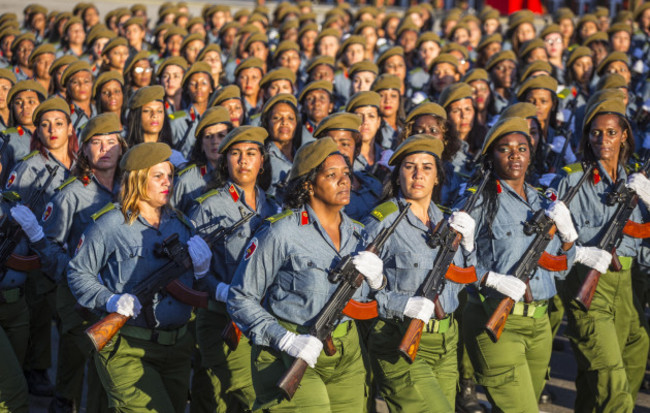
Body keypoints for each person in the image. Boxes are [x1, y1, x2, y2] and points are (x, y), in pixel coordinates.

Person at [228, 137, 384, 412]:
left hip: (345, 352)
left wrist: (378, 281)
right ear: (309, 185)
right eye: (332, 175)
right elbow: (241, 297)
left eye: (346, 174)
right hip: (288, 350)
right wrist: (284, 339)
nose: (344, 181)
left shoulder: (359, 234)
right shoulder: (281, 232)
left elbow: (372, 300)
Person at [67, 141, 212, 412]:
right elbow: (77, 273)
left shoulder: (181, 224)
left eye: (169, 176)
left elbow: (194, 288)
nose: (166, 182)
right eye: (158, 176)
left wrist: (201, 272)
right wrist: (110, 301)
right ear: (137, 178)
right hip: (127, 346)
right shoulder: (110, 223)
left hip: (177, 347)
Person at [16, 113, 123, 411]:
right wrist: (77, 276)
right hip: (77, 296)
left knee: (107, 380)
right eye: (96, 143)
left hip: (117, 296)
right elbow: (49, 249)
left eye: (111, 142)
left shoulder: (130, 190)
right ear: (84, 149)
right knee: (72, 373)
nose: (105, 149)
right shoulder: (71, 193)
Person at [363, 135, 476, 412]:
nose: (418, 174)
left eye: (427, 167)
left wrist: (470, 245)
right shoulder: (383, 222)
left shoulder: (449, 222)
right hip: (399, 338)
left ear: (437, 177)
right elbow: (357, 291)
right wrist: (397, 300)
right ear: (398, 174)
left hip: (446, 342)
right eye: (409, 166)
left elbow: (465, 279)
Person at [554, 96, 650, 412]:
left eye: (611, 132)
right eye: (596, 133)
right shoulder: (573, 177)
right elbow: (551, 240)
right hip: (589, 286)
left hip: (628, 285)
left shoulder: (635, 178)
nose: (603, 140)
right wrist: (581, 253)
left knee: (630, 353)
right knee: (612, 383)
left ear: (624, 135)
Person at [189, 125, 276, 412]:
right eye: (235, 154)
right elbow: (193, 272)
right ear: (225, 161)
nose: (243, 161)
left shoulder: (273, 208)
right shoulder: (209, 206)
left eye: (251, 153)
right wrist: (219, 289)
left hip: (262, 323)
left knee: (225, 403)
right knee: (251, 396)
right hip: (221, 320)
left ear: (262, 161)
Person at [6, 97, 78, 398]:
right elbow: (10, 209)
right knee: (37, 311)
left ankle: (66, 388)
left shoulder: (80, 165)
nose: (52, 130)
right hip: (33, 252)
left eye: (59, 124)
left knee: (71, 327)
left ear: (70, 128)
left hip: (71, 251)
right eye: (45, 125)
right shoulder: (28, 167)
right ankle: (35, 370)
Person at [313, 110, 382, 220]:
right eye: (331, 144)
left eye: (345, 144)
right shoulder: (318, 190)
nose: (338, 150)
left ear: (356, 149)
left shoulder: (373, 184)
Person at [171, 106, 232, 213]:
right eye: (208, 136)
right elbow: (171, 217)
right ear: (201, 145)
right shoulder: (187, 181)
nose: (215, 141)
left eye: (221, 135)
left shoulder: (238, 174)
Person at [1, 79, 46, 184]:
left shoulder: (52, 135)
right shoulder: (7, 139)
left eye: (31, 101)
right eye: (18, 102)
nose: (25, 106)